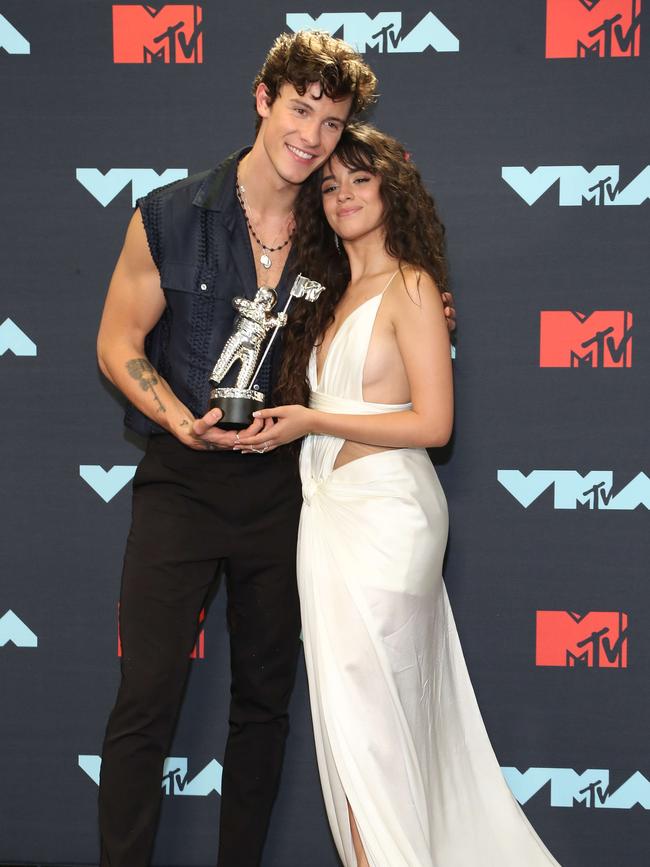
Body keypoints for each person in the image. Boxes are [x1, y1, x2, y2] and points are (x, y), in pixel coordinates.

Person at [95, 30, 456, 867]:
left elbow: (397, 288)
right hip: (180, 483)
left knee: (264, 707)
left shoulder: (337, 230)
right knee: (146, 699)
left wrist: (432, 310)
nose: (313, 136)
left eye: (332, 123)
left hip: (287, 493)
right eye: (301, 110)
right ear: (264, 100)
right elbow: (118, 340)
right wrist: (177, 416)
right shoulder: (172, 215)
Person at [237, 125, 562, 867]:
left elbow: (434, 422)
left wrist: (315, 418)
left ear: (391, 189)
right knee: (353, 733)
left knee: (374, 723)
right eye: (329, 185)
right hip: (327, 524)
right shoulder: (322, 297)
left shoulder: (413, 285)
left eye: (360, 179)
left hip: (390, 522)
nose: (344, 194)